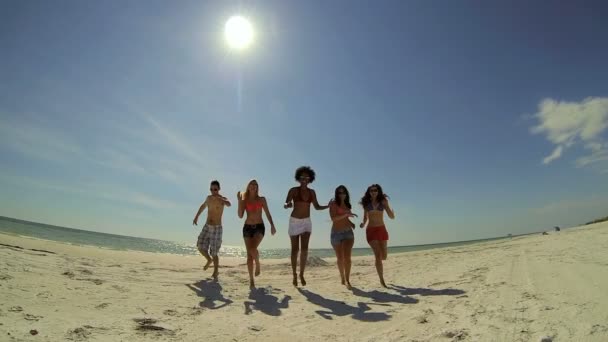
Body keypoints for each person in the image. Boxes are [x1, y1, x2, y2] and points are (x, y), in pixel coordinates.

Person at [284, 166, 329, 286]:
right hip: (294, 221)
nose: (304, 179)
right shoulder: (293, 190)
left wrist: (328, 206)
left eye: (307, 177)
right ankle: (294, 274)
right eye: (302, 177)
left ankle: (301, 274)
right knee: (295, 250)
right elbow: (286, 203)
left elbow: (317, 207)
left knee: (304, 250)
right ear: (298, 178)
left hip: (306, 222)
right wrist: (287, 205)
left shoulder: (312, 192)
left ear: (310, 179)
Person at [237, 179, 276, 289]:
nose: (253, 186)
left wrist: (272, 225)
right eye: (251, 184)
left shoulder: (262, 199)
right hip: (247, 228)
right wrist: (239, 202)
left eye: (255, 184)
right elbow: (240, 215)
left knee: (253, 249)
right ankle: (251, 280)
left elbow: (267, 213)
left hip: (259, 227)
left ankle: (258, 264)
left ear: (257, 187)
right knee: (249, 256)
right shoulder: (244, 200)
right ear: (248, 187)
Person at [192, 180, 231, 280]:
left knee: (214, 252)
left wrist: (221, 199)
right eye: (211, 189)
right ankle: (209, 260)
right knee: (200, 245)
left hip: (217, 228)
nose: (213, 191)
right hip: (207, 226)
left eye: (215, 189)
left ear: (218, 189)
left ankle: (216, 271)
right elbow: (203, 206)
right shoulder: (208, 198)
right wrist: (196, 217)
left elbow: (229, 204)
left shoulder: (222, 199)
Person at [359, 184, 395, 287]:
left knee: (384, 256)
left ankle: (381, 277)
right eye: (371, 191)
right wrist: (362, 224)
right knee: (378, 255)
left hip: (381, 229)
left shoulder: (383, 202)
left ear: (378, 191)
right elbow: (365, 218)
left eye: (375, 190)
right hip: (371, 230)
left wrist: (392, 212)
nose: (373, 192)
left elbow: (390, 216)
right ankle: (381, 279)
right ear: (369, 192)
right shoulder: (367, 204)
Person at [329, 185, 357, 289]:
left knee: (347, 258)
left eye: (343, 192)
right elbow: (334, 218)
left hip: (348, 233)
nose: (342, 195)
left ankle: (348, 280)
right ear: (337, 194)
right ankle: (342, 277)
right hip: (336, 233)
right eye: (339, 193)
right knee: (340, 258)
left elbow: (345, 219)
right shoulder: (333, 204)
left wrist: (351, 223)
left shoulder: (348, 205)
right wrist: (346, 216)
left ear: (346, 193)